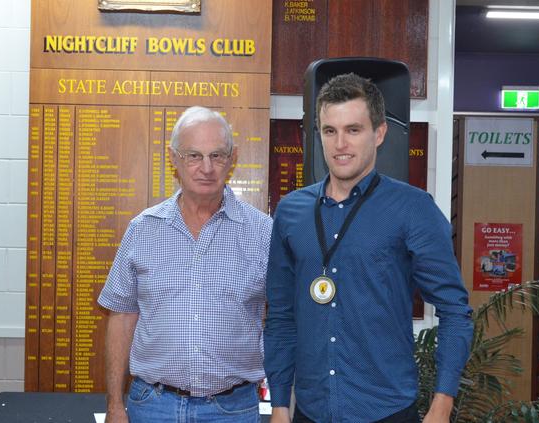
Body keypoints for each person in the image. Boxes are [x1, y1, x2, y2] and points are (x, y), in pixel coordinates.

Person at [264, 73, 473, 423]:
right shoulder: (291, 212)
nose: (340, 144)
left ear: (379, 133)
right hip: (309, 412)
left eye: (353, 130)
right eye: (330, 131)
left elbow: (455, 310)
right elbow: (282, 316)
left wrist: (442, 404)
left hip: (386, 411)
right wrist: (281, 406)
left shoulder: (413, 209)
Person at [98, 106, 272, 423]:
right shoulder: (143, 229)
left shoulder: (263, 232)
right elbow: (121, 317)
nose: (206, 167)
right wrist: (114, 405)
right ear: (174, 158)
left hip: (232, 410)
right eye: (194, 156)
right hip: (152, 406)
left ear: (232, 159)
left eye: (217, 155)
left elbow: (283, 319)